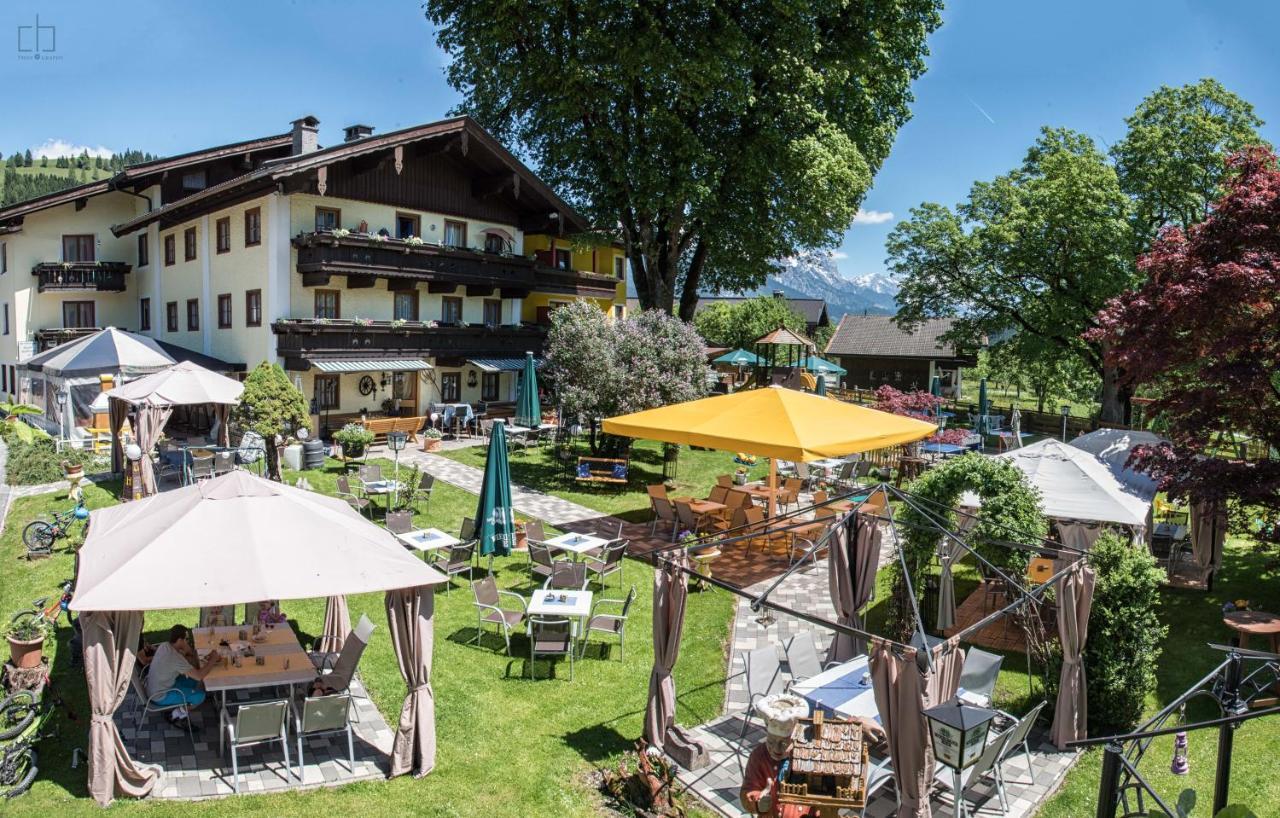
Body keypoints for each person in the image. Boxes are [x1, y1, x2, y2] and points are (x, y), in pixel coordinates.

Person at [740, 694, 887, 818]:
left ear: (795, 737)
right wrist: (758, 801)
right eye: (771, 742)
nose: (776, 749)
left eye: (784, 743)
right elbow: (748, 790)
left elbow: (833, 734)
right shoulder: (759, 757)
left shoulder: (808, 745)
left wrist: (858, 722)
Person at [146, 625, 220, 729]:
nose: (188, 642)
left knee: (192, 680)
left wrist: (189, 653)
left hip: (155, 686)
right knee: (200, 696)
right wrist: (213, 660)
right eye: (186, 639)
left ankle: (183, 703)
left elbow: (192, 664)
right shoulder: (175, 658)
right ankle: (175, 715)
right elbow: (199, 675)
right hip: (160, 695)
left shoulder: (165, 646)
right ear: (180, 640)